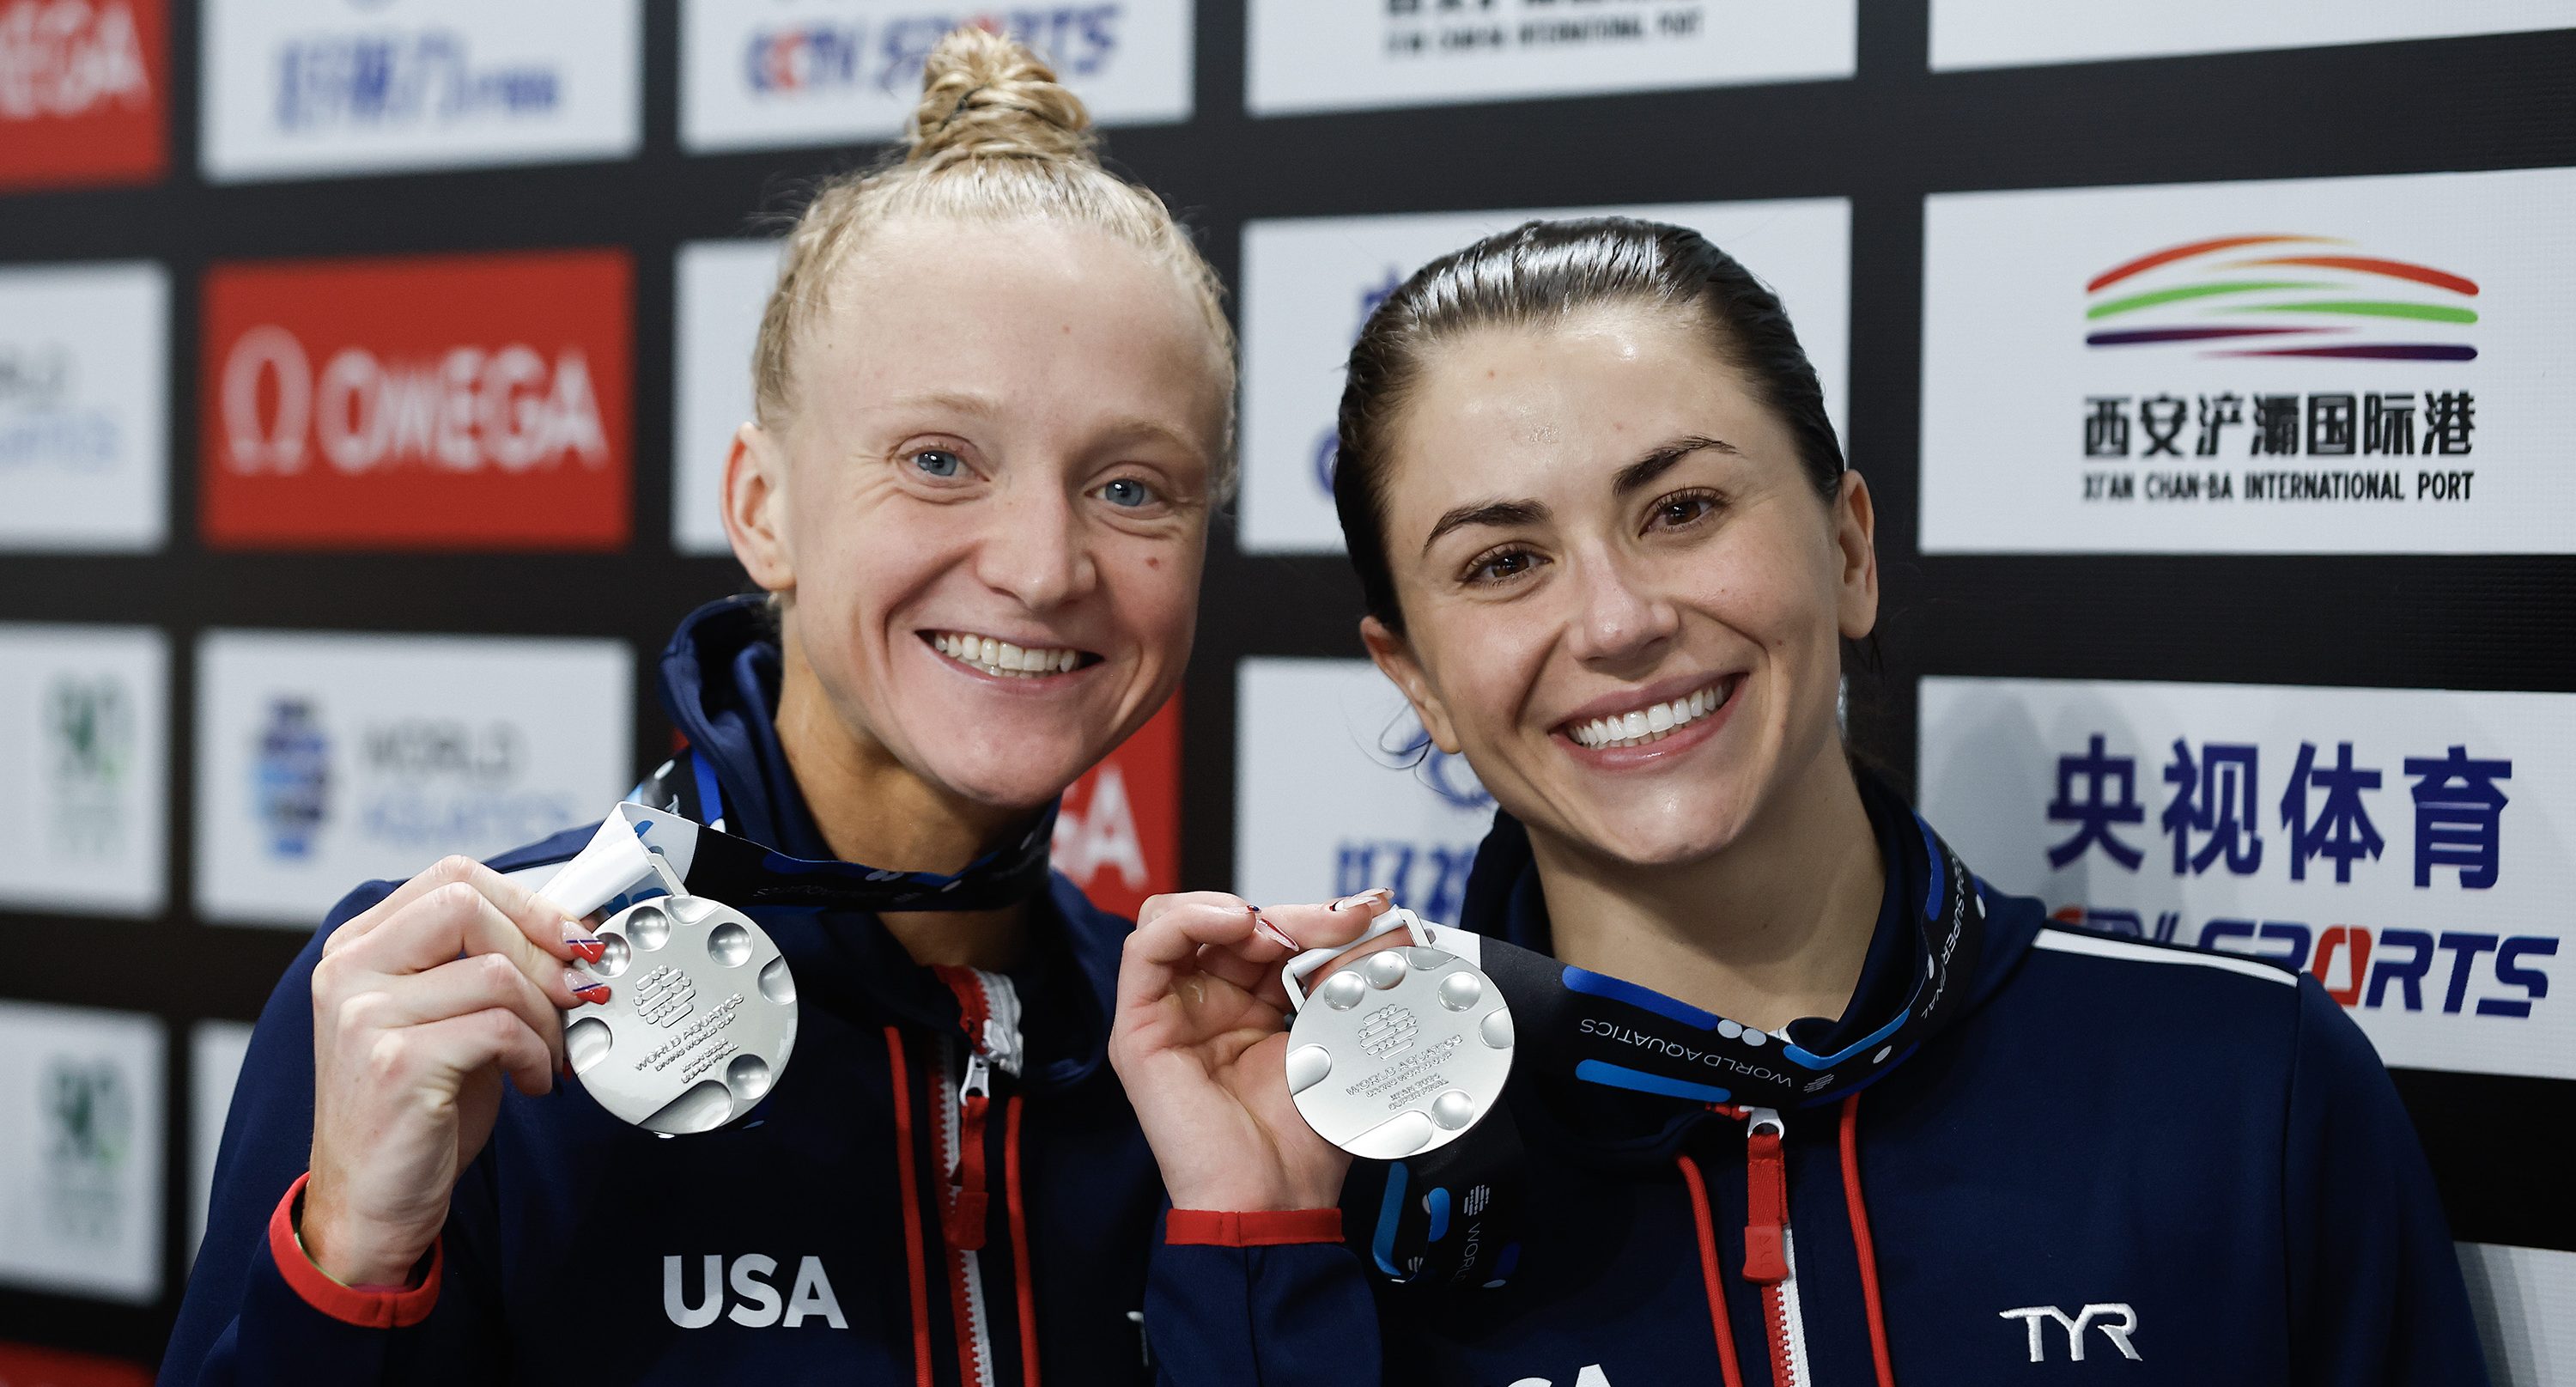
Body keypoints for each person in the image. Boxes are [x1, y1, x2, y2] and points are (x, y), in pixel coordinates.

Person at [1110, 217, 2486, 1385]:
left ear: (1848, 549)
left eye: (1684, 509)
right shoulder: (1323, 1173)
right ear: (1416, 680)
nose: (1619, 620)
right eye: (1504, 562)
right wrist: (1263, 1253)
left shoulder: (2250, 1086)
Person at [165, 27, 1233, 1385]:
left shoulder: (1195, 1077)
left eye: (1132, 485)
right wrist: (356, 1265)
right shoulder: (455, 1010)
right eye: (939, 459)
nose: (1043, 564)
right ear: (761, 510)